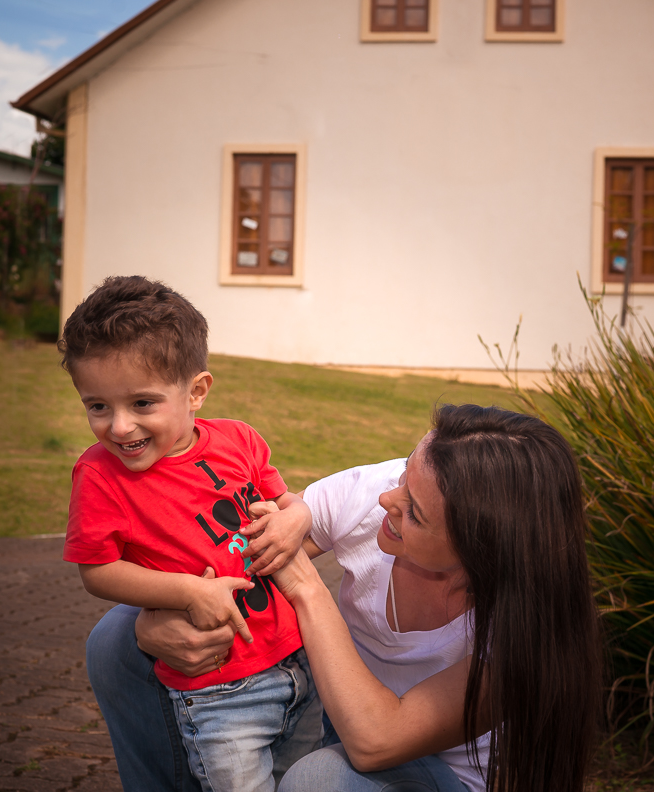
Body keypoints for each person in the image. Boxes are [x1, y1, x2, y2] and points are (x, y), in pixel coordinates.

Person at [90, 404, 603, 792]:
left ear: (482, 552)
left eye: (414, 512)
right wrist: (154, 623)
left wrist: (308, 589)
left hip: (429, 771)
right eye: (404, 475)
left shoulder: (524, 634)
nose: (386, 500)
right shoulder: (383, 493)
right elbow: (231, 552)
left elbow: (377, 742)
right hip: (336, 715)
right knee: (116, 637)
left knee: (320, 781)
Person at [59, 275, 315, 792]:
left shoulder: (239, 440)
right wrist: (189, 590)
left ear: (196, 391)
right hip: (219, 691)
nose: (119, 427)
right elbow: (97, 570)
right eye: (98, 406)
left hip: (300, 661)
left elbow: (286, 504)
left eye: (142, 404)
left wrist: (299, 516)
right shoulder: (100, 475)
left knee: (302, 781)